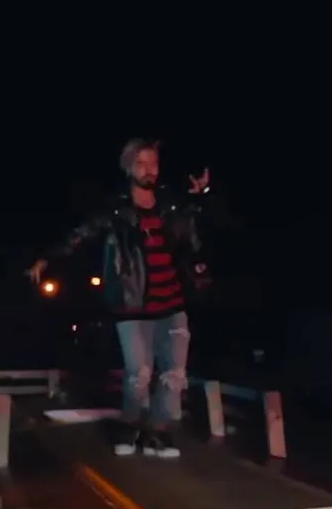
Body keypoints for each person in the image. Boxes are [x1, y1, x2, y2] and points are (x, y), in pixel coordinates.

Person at [28, 138, 211, 459]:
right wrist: (47, 257)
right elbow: (81, 233)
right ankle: (128, 427)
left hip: (172, 304)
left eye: (153, 163)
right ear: (128, 168)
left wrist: (200, 196)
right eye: (141, 164)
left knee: (174, 374)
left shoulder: (170, 204)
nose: (149, 170)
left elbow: (192, 238)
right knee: (138, 374)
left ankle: (158, 432)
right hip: (133, 305)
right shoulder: (115, 209)